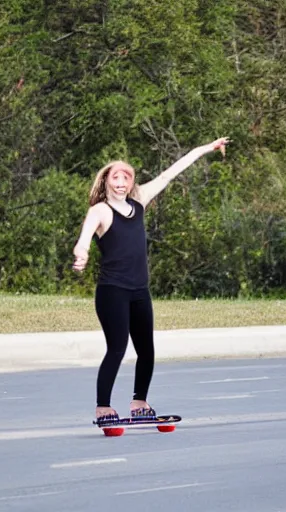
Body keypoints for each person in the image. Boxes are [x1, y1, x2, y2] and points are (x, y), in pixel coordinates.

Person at [73, 137, 230, 423]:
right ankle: (102, 406)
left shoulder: (140, 200)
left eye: (126, 177)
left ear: (132, 182)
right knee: (117, 347)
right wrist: (81, 254)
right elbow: (83, 238)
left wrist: (205, 149)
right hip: (113, 291)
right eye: (116, 177)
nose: (121, 182)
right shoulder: (100, 210)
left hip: (139, 291)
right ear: (106, 180)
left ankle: (139, 402)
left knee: (147, 350)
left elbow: (172, 172)